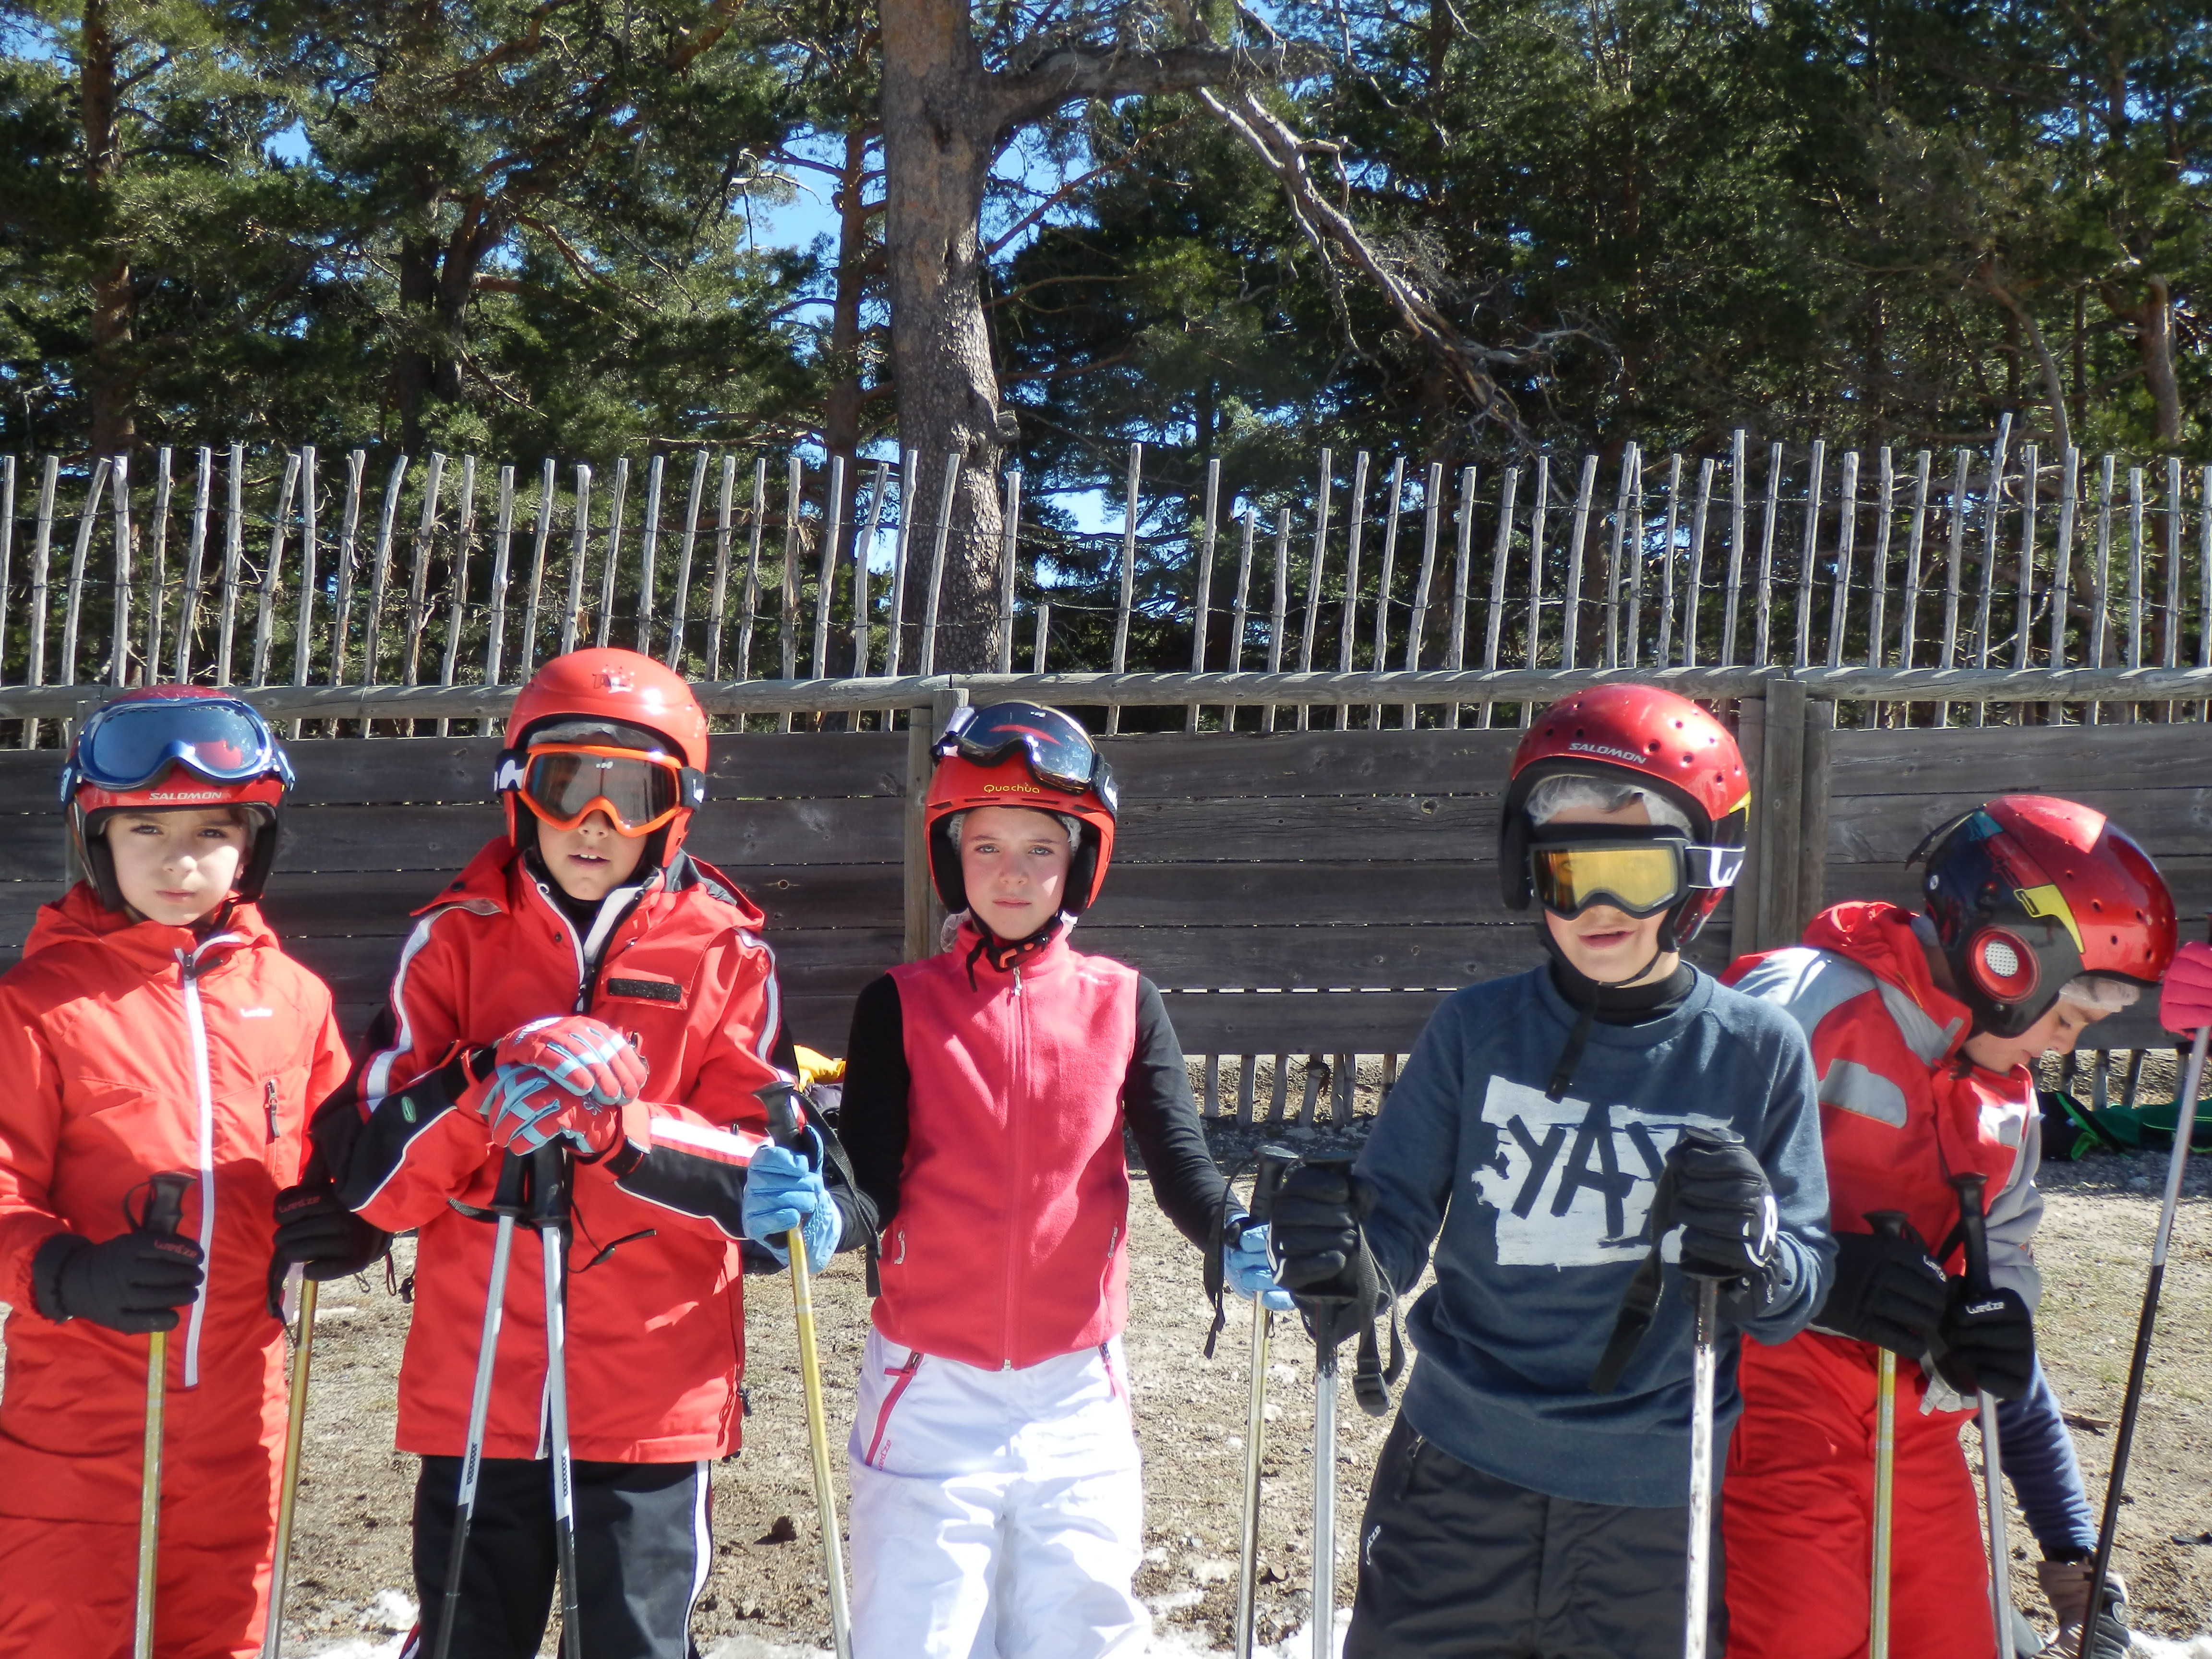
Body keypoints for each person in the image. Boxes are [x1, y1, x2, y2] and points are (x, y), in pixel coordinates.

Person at [1267, 683, 1835, 1659]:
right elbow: (1392, 1226)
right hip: (1456, 1480)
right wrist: (1341, 1262)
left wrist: (1759, 1253)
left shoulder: (1756, 1050)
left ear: (1699, 877)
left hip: (1649, 1507)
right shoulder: (1477, 1029)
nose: (1598, 908)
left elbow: (1799, 1285)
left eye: (1634, 873)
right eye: (1568, 872)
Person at [328, 648, 867, 1659]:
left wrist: (620, 1133)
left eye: (634, 796)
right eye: (566, 786)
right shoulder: (454, 942)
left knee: (633, 1640)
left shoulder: (723, 952)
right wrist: (482, 1083)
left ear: (677, 809)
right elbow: (377, 1184)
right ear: (517, 791)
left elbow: (760, 1165)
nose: (595, 823)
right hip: (483, 1383)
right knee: (465, 1637)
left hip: (653, 1390)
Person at [792, 699, 1283, 1659]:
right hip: (930, 1387)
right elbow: (872, 1182)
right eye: (986, 847)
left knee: (1080, 1630)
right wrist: (826, 1218)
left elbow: (1179, 1161)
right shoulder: (900, 1005)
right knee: (918, 1636)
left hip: (1075, 1392)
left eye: (1039, 849)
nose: (1012, 873)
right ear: (952, 859)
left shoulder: (1124, 1003)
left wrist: (1232, 1231)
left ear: (1079, 862)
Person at [1720, 795, 2176, 1659]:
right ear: (2009, 959)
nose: (2061, 1047)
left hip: (1916, 1430)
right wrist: (1812, 1273)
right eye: (2067, 1017)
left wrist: (1993, 1326)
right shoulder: (1806, 1005)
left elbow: (2003, 1261)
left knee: (1947, 1636)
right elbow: (1672, 1183)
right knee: (1797, 1632)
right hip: (1773, 1408)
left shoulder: (2007, 1099)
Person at [0, 689, 371, 1658]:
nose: (180, 862)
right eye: (147, 832)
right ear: (97, 839)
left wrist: (353, 1220)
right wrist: (64, 1272)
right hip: (81, 1418)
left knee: (224, 1637)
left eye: (213, 831)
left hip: (241, 1419)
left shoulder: (294, 999)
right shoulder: (41, 1006)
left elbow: (340, 1155)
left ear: (253, 844)